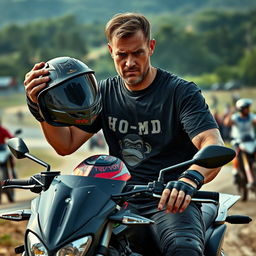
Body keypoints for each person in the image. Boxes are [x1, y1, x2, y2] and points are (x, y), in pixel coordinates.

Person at [24, 13, 224, 256]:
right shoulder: (105, 93)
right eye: (122, 54)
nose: (130, 62)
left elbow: (211, 142)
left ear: (151, 47)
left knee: (183, 249)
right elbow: (66, 144)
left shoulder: (180, 92)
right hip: (117, 200)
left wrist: (188, 180)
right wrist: (39, 106)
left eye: (137, 52)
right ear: (111, 51)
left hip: (171, 200)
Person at [223, 98, 256, 186]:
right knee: (236, 154)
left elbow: (254, 120)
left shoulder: (251, 116)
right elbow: (226, 123)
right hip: (238, 141)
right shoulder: (235, 117)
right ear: (241, 108)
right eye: (247, 108)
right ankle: (235, 171)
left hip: (250, 141)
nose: (249, 110)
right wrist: (230, 113)